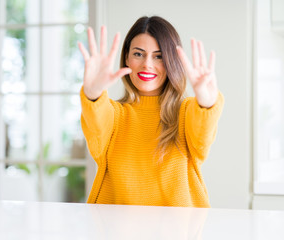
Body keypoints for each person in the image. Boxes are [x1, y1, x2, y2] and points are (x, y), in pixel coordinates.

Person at [78, 16, 224, 207]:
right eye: (138, 54)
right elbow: (96, 117)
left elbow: (203, 127)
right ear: (126, 59)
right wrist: (93, 92)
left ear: (172, 61)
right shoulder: (114, 115)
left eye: (159, 56)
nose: (147, 64)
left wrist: (206, 100)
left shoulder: (186, 112)